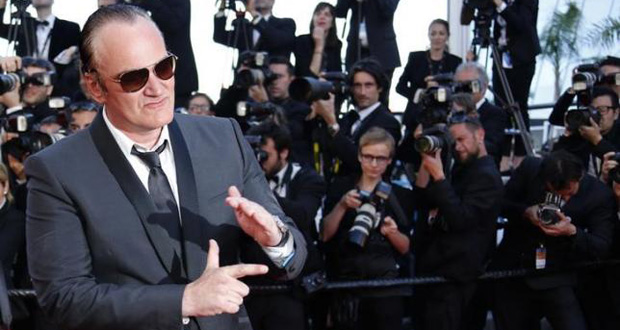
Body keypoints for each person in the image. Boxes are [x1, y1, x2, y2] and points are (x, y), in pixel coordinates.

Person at [25, 5, 307, 330]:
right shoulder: (56, 170)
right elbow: (65, 299)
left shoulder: (223, 138)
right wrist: (183, 300)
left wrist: (275, 239)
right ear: (95, 87)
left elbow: (294, 258)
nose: (157, 87)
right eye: (133, 78)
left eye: (164, 67)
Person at [492, 150, 615, 330]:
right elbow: (499, 204)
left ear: (579, 177)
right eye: (556, 192)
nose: (563, 198)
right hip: (515, 271)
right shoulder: (530, 169)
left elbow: (601, 246)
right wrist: (526, 212)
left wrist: (571, 231)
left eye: (569, 194)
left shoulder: (598, 195)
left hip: (558, 274)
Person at [413, 114, 503, 330]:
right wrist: (428, 164)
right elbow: (422, 200)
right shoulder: (461, 168)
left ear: (480, 135)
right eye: (453, 142)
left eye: (462, 140)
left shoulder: (487, 176)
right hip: (438, 269)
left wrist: (440, 178)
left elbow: (461, 219)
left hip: (458, 274)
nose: (458, 147)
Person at [321, 127, 410, 330]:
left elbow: (406, 248)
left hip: (385, 287)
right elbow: (325, 235)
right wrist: (342, 206)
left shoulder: (400, 195)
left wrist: (392, 233)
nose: (374, 163)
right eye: (369, 156)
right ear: (359, 156)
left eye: (380, 158)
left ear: (389, 160)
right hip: (346, 284)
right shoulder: (340, 187)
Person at [245, 122, 326, 330]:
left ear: (284, 153)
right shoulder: (243, 179)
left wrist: (258, 189)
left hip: (289, 287)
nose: (259, 162)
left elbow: (303, 215)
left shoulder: (307, 178)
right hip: (253, 287)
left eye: (264, 156)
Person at [313, 58, 401, 179]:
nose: (362, 92)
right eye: (357, 85)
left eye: (368, 85)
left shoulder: (388, 122)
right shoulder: (348, 118)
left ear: (380, 88)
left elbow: (362, 163)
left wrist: (331, 122)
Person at [490, 0, 541, 166]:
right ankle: (502, 154)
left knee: (519, 106)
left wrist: (501, 6)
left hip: (522, 60)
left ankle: (520, 154)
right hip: (501, 58)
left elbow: (521, 24)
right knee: (500, 107)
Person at [396, 19, 462, 130]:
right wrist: (421, 93)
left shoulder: (455, 61)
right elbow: (400, 87)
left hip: (444, 115)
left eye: (441, 33)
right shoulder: (416, 58)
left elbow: (459, 91)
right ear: (428, 35)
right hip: (416, 116)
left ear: (447, 36)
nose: (437, 37)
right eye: (433, 33)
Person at [552, 86, 620, 176]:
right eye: (592, 110)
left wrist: (598, 141)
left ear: (616, 113)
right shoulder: (582, 134)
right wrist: (567, 136)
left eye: (602, 110)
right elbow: (556, 165)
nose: (597, 115)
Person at [454, 62, 507, 165]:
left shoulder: (495, 114)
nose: (464, 90)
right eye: (460, 84)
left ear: (484, 86)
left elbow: (491, 147)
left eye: (470, 84)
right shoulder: (449, 111)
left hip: (480, 173)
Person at [335, 0, 401, 83]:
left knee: (380, 91)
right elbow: (340, 12)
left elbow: (388, 10)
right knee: (354, 88)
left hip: (382, 52)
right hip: (356, 50)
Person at [0, 0, 80, 65]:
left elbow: (85, 46)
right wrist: (2, 4)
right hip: (28, 81)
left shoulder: (71, 28)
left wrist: (75, 49)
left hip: (60, 81)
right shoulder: (24, 28)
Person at [214, 0, 296, 59]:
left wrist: (254, 15)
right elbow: (220, 36)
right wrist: (222, 8)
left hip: (274, 77)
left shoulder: (286, 23)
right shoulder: (245, 27)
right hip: (246, 79)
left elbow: (276, 40)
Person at [294, 2, 342, 78]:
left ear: (332, 23)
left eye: (327, 15)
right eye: (318, 14)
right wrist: (319, 46)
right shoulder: (301, 41)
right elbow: (307, 75)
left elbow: (337, 74)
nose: (321, 17)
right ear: (313, 20)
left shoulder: (337, 44)